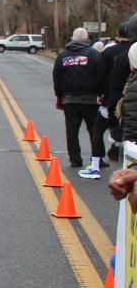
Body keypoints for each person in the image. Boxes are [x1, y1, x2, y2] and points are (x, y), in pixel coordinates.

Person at [53, 27, 102, 177]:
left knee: (72, 130)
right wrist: (100, 93)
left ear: (72, 39)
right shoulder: (93, 54)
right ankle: (97, 159)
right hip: (90, 99)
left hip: (69, 99)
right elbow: (101, 75)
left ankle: (75, 159)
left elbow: (57, 78)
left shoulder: (63, 56)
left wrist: (59, 96)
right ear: (87, 38)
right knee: (94, 130)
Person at [95, 23, 130, 162]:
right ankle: (118, 148)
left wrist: (99, 93)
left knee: (98, 129)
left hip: (111, 96)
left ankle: (96, 160)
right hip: (130, 97)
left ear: (118, 33)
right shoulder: (132, 51)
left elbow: (101, 75)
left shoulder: (109, 51)